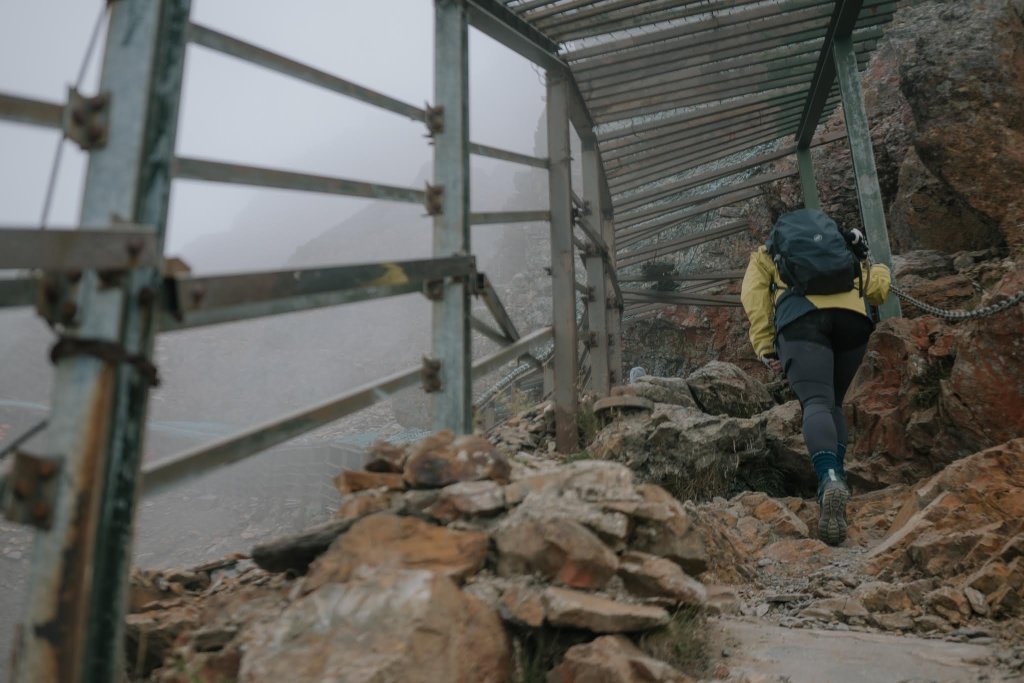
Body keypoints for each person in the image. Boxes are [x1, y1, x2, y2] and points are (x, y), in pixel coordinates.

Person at [740, 208, 891, 546]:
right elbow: (879, 288)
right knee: (833, 403)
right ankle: (834, 482)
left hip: (801, 319)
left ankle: (830, 476)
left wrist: (765, 345)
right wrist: (869, 257)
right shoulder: (843, 250)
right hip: (852, 322)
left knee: (816, 402)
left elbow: (753, 297)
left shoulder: (767, 253)